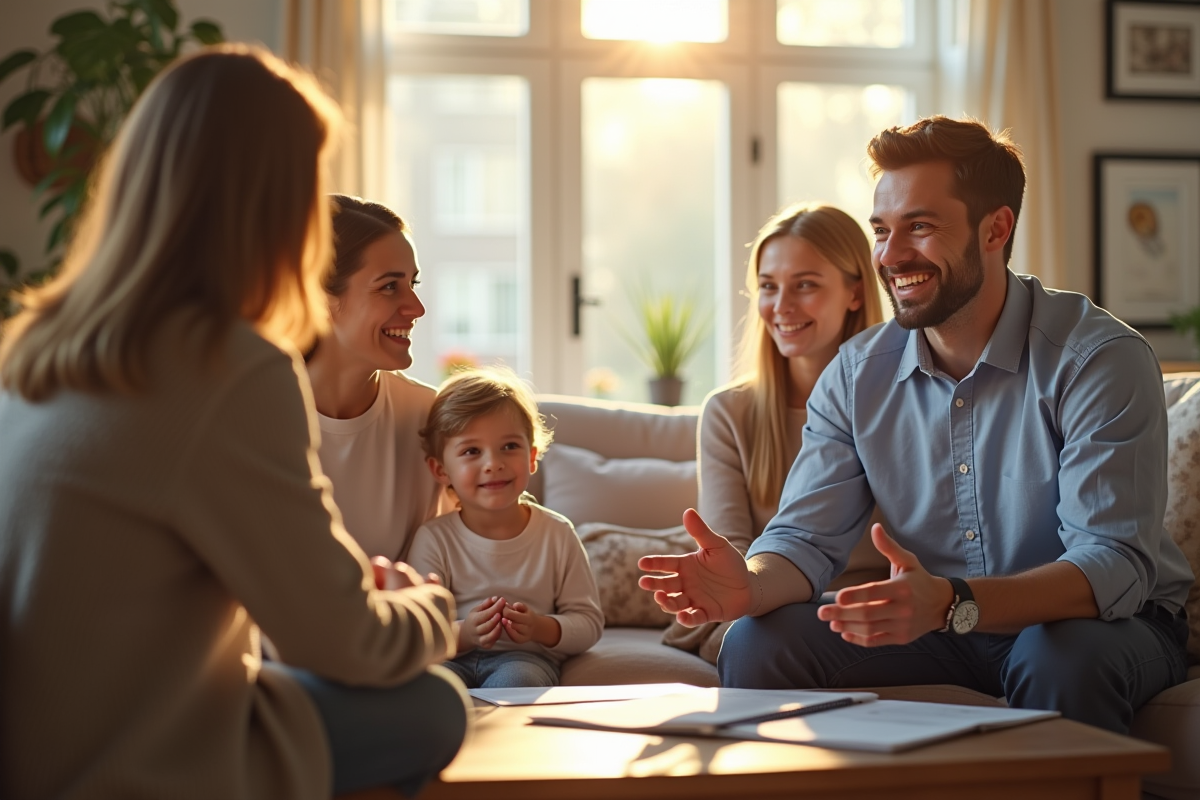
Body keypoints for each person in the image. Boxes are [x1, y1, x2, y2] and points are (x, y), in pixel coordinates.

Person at [0, 46, 469, 800]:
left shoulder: (44, 347)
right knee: (431, 708)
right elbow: (343, 642)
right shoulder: (230, 364)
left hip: (33, 747)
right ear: (275, 198)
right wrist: (434, 607)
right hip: (131, 757)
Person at [639, 116, 1193, 735]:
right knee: (757, 640)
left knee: (1057, 656)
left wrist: (957, 602)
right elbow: (803, 539)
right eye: (882, 230)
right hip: (942, 623)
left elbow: (1112, 561)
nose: (892, 255)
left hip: (1098, 625)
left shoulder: (1096, 358)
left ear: (995, 229)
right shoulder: (855, 373)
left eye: (920, 227)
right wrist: (749, 585)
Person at [661, 203, 886, 664]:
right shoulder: (730, 412)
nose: (781, 306)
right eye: (768, 287)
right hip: (769, 609)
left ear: (856, 293)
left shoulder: (904, 404)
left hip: (879, 613)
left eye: (805, 285)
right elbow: (731, 555)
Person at [408, 368, 604, 688]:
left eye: (509, 446)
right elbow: (421, 628)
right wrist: (466, 633)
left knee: (517, 681)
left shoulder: (557, 533)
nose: (493, 463)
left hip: (524, 657)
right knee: (426, 690)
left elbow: (588, 623)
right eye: (472, 451)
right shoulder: (434, 538)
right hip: (449, 657)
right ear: (441, 469)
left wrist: (540, 628)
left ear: (532, 457)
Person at [304, 194, 449, 562]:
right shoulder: (247, 418)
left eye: (412, 284)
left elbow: (469, 553)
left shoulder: (430, 417)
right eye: (389, 286)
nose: (417, 308)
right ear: (320, 296)